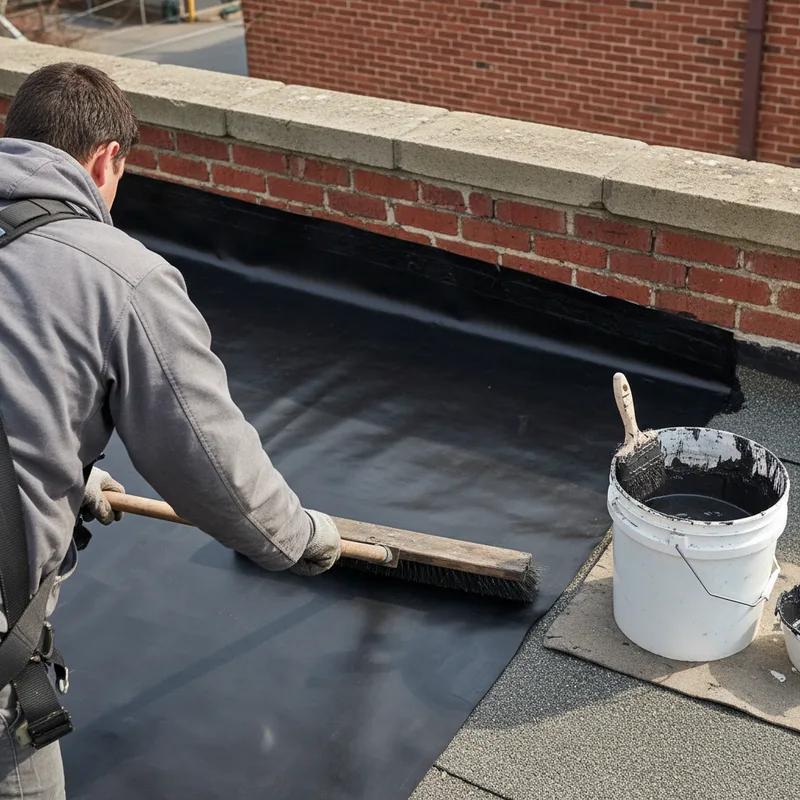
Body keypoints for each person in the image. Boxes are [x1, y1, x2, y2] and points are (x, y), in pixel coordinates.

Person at [0, 62, 342, 798]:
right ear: (104, 161)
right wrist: (299, 538)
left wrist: (67, 474)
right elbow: (211, 467)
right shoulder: (118, 275)